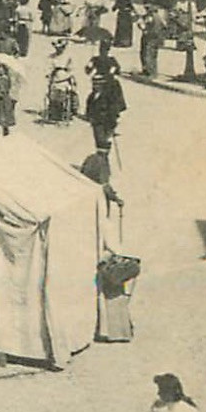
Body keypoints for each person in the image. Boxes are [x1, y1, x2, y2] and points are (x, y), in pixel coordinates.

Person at [81, 146, 135, 342]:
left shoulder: (83, 189)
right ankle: (117, 331)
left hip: (87, 246)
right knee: (113, 291)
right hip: (103, 246)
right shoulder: (100, 192)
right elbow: (106, 228)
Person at [85, 61, 128, 150]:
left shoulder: (108, 97)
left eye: (97, 84)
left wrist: (113, 122)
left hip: (106, 122)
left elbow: (113, 109)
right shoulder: (91, 96)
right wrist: (89, 117)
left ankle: (103, 158)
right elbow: (89, 107)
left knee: (103, 142)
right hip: (96, 123)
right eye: (94, 84)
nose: (95, 86)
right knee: (98, 142)